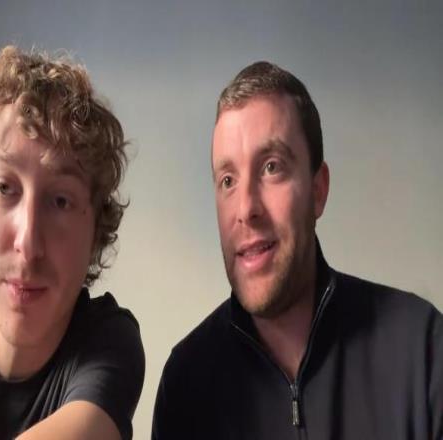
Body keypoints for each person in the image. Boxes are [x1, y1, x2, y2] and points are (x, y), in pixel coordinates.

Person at [152, 61, 442, 439]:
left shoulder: (422, 349)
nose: (246, 209)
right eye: (228, 180)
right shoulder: (185, 384)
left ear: (318, 191)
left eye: (271, 167)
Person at [0, 46, 144, 440]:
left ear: (95, 228)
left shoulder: (107, 345)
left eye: (60, 201)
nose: (28, 243)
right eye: (5, 188)